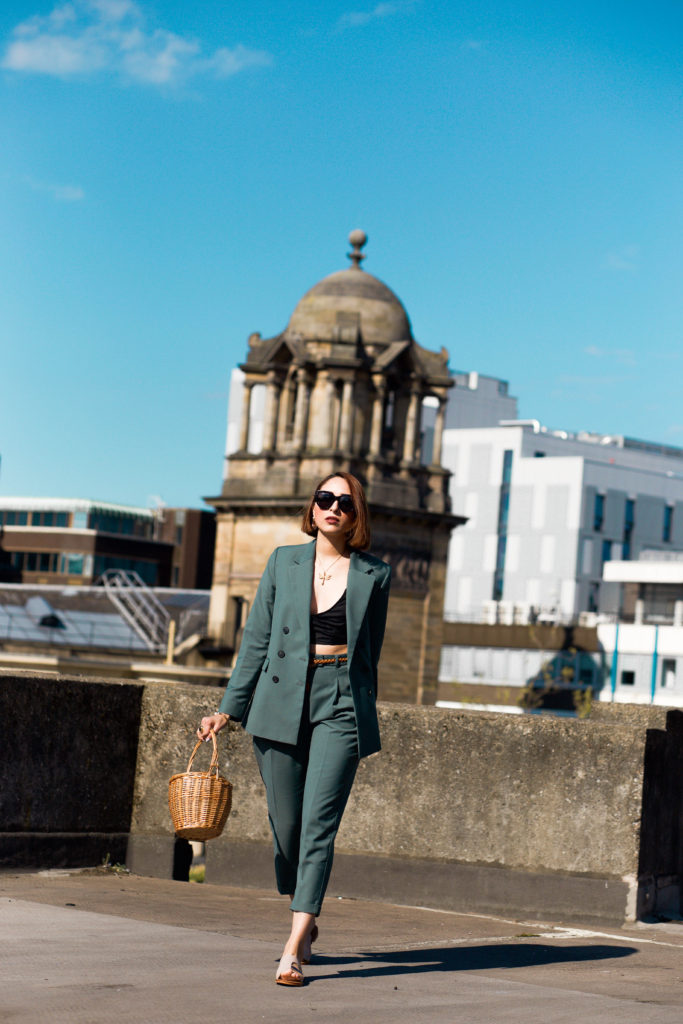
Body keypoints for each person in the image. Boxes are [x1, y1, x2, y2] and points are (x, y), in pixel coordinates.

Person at [198, 471, 391, 986]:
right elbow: (256, 642)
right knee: (287, 832)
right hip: (279, 700)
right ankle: (305, 909)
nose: (333, 507)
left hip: (340, 703)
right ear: (312, 508)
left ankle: (291, 947)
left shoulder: (375, 574)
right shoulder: (284, 562)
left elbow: (370, 652)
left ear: (356, 515)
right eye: (324, 499)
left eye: (344, 503)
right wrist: (227, 709)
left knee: (318, 828)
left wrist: (359, 705)